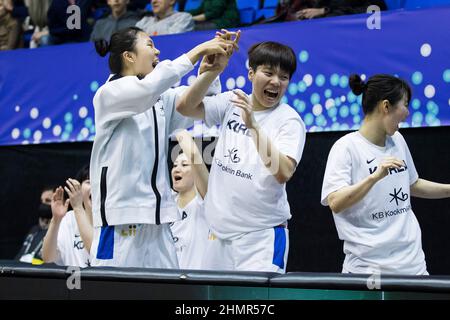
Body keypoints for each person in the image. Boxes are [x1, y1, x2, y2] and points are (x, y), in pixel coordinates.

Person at [89, 26, 238, 268]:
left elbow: (190, 104)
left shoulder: (159, 99)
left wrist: (209, 72)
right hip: (121, 221)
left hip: (159, 221)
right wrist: (199, 49)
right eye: (149, 44)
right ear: (129, 56)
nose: (157, 50)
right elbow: (146, 90)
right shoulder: (109, 94)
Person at [176, 39, 306, 273]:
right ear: (251, 73)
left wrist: (253, 126)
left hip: (260, 238)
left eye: (284, 77)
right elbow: (185, 108)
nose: (276, 82)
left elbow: (283, 172)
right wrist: (212, 72)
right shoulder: (232, 101)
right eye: (268, 73)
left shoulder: (289, 120)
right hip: (218, 236)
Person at [321, 74, 450, 275]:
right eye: (405, 105)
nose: (407, 113)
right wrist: (375, 177)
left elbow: (412, 184)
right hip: (367, 271)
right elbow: (335, 202)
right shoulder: (345, 147)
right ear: (386, 106)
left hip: (413, 267)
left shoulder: (398, 140)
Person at [169, 129, 209, 269]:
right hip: (166, 280)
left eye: (184, 165)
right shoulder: (167, 203)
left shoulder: (203, 202)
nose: (176, 169)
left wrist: (177, 127)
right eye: (174, 165)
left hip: (194, 282)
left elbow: (194, 155)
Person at [42, 165, 93, 267]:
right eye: (88, 182)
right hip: (74, 282)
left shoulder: (112, 220)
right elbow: (48, 258)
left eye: (98, 182)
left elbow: (95, 251)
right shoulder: (68, 219)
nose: (94, 187)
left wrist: (78, 207)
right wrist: (56, 220)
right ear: (78, 188)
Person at [15, 186, 55, 264]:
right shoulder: (34, 230)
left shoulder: (59, 232)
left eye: (47, 201)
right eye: (42, 201)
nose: (43, 204)